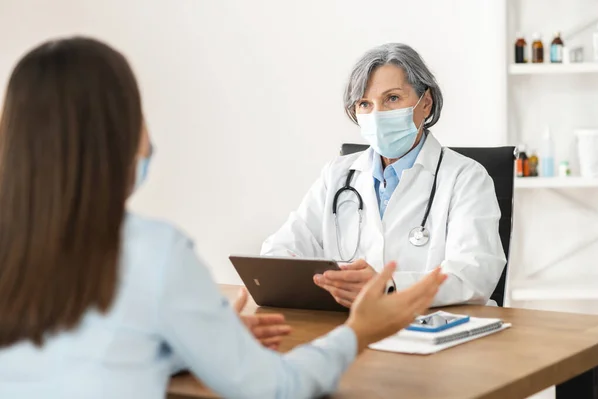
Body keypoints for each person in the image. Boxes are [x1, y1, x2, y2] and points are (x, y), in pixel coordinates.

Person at [0, 37, 447, 399]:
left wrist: (194, 340)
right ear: (116, 133)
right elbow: (276, 388)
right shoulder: (155, 253)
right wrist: (358, 332)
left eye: (391, 99)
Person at [262, 43, 506, 308]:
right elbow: (280, 252)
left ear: (425, 103)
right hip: (352, 327)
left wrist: (388, 286)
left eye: (392, 98)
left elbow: (474, 274)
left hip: (437, 329)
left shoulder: (466, 177)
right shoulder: (338, 174)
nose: (377, 115)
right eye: (365, 103)